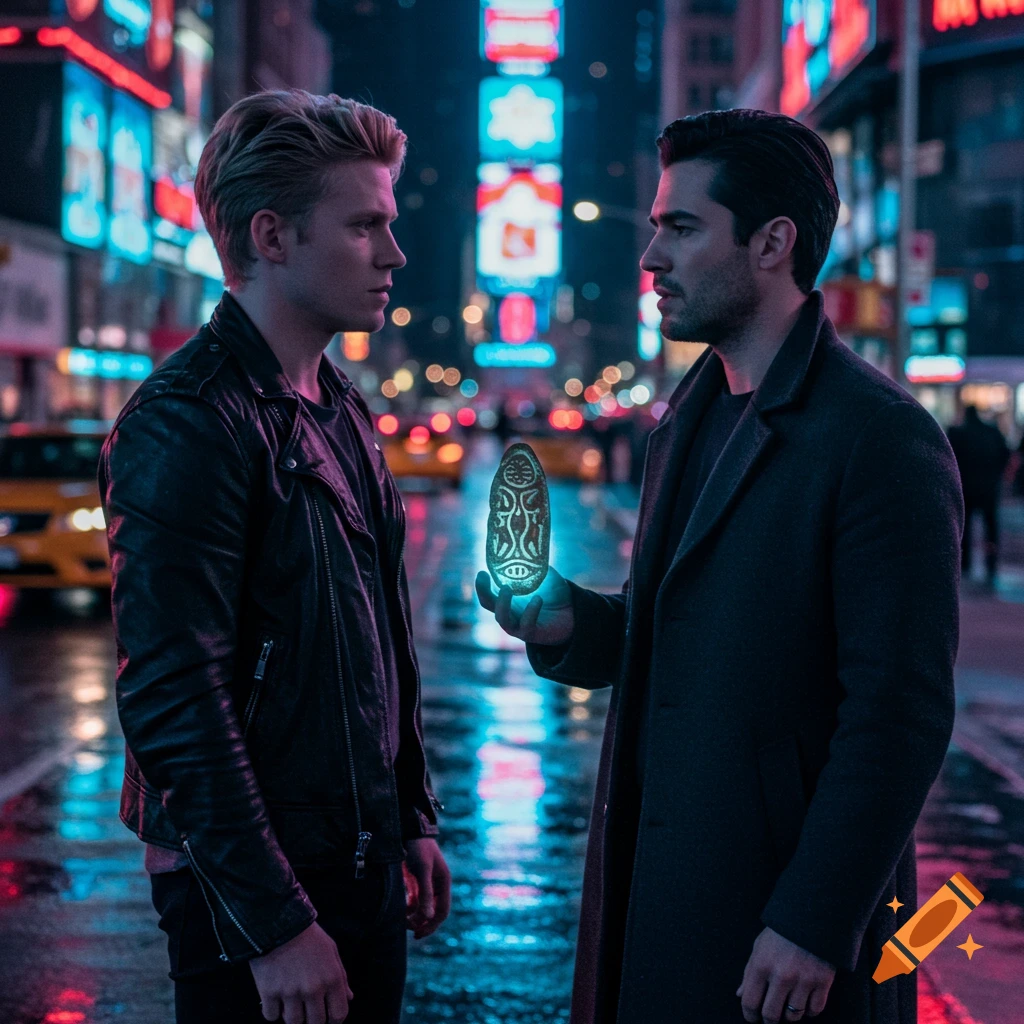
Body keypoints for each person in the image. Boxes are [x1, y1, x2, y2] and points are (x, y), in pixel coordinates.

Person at [477, 109, 962, 1024]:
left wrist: (817, 920)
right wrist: (569, 622)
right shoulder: (688, 420)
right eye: (657, 225)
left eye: (682, 227)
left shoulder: (879, 437)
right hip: (660, 892)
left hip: (779, 928)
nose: (651, 256)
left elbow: (900, 712)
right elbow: (691, 632)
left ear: (773, 242)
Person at [100, 90, 449, 1024]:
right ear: (274, 236)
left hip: (355, 858)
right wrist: (271, 924)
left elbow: (376, 635)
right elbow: (174, 693)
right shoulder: (188, 421)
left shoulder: (336, 402)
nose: (393, 253)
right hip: (252, 888)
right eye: (365, 225)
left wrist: (409, 810)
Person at [948, 405, 1010, 584]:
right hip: (989, 488)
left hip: (966, 488)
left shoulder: (959, 433)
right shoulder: (991, 431)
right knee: (991, 528)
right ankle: (991, 563)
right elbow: (1005, 454)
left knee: (964, 528)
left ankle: (965, 563)